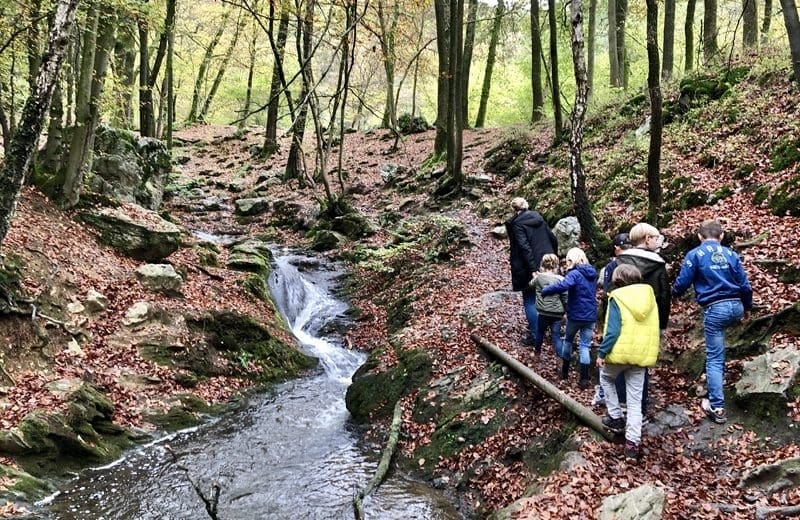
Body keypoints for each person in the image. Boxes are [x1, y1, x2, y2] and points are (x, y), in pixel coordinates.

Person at [672, 219, 752, 424]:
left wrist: (671, 294)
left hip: (715, 308)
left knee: (715, 358)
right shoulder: (732, 254)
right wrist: (748, 307)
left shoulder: (695, 255)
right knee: (720, 348)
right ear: (722, 236)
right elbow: (744, 284)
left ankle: (717, 407)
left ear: (699, 236)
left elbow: (682, 283)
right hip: (736, 305)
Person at [596, 264, 660, 461]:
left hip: (620, 353)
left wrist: (602, 352)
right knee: (635, 401)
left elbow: (613, 330)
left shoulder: (618, 297)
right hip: (640, 356)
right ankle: (632, 444)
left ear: (618, 279)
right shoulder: (650, 297)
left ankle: (615, 417)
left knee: (606, 378)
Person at [613, 223, 671, 414]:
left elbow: (608, 293)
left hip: (621, 319)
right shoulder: (658, 265)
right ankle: (639, 407)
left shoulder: (619, 262)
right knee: (641, 364)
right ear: (647, 239)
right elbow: (663, 296)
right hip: (649, 321)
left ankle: (621, 404)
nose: (658, 241)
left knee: (621, 361)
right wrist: (662, 324)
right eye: (656, 237)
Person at [505, 197, 558, 346]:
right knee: (548, 295)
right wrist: (553, 258)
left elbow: (524, 247)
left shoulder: (517, 224)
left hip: (528, 267)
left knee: (529, 299)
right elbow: (553, 238)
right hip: (548, 262)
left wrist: (533, 269)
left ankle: (536, 336)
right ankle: (553, 331)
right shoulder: (539, 218)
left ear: (514, 210)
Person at [541, 247, 597, 387]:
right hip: (590, 316)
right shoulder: (592, 274)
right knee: (585, 346)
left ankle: (565, 373)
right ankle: (584, 379)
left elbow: (563, 285)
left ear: (572, 260)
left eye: (568, 261)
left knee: (568, 341)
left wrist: (546, 290)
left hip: (576, 315)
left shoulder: (575, 274)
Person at [593, 232, 633, 406]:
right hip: (639, 316)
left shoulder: (612, 266)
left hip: (618, 312)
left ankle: (608, 397)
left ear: (617, 248)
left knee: (613, 357)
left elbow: (608, 292)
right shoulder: (641, 262)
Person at [530, 254, 567, 357]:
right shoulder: (560, 279)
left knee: (540, 332)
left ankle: (537, 352)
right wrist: (566, 311)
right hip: (557, 314)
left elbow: (531, 284)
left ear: (542, 264)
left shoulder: (539, 278)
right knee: (556, 336)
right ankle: (560, 357)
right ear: (556, 266)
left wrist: (535, 276)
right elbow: (565, 296)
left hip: (543, 312)